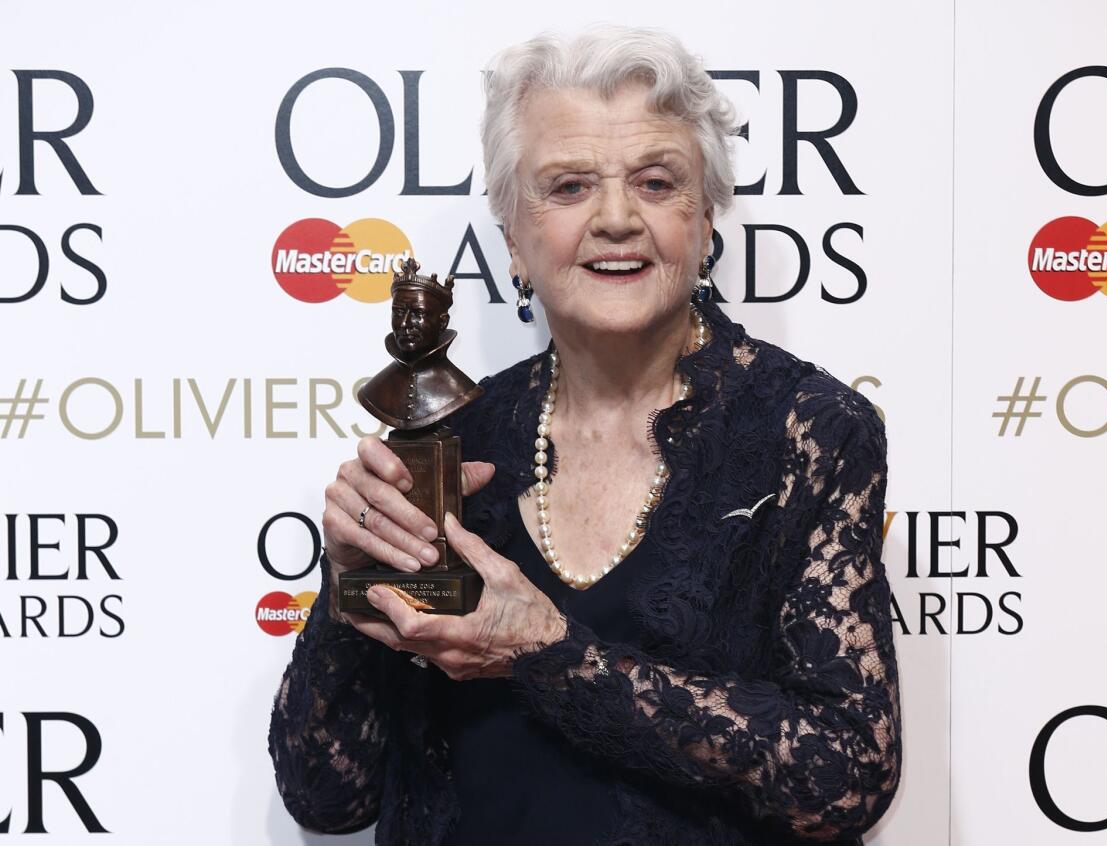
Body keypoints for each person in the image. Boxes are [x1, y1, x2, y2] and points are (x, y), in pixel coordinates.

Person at [268, 25, 901, 846]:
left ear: (704, 220)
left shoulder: (806, 432)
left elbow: (846, 778)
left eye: (655, 181)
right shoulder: (449, 435)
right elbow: (325, 795)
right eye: (568, 187)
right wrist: (348, 593)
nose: (614, 219)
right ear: (512, 244)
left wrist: (544, 651)